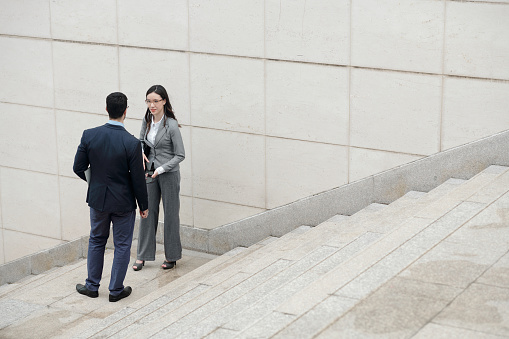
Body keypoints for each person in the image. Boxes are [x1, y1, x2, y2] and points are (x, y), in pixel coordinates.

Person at [73, 92, 149, 302]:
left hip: (98, 200)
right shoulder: (132, 143)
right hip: (123, 202)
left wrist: (95, 182)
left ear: (106, 109)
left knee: (97, 240)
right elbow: (138, 179)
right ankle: (116, 291)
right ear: (126, 112)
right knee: (122, 245)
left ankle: (92, 286)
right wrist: (143, 205)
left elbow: (78, 167)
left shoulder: (89, 135)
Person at [132, 85, 185, 271]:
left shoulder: (171, 125)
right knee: (147, 212)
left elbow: (180, 155)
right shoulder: (147, 121)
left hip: (168, 174)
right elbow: (139, 141)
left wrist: (162, 168)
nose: (152, 105)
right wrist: (140, 151)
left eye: (155, 101)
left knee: (171, 215)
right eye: (148, 101)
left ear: (164, 101)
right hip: (149, 172)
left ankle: (171, 256)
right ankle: (143, 255)